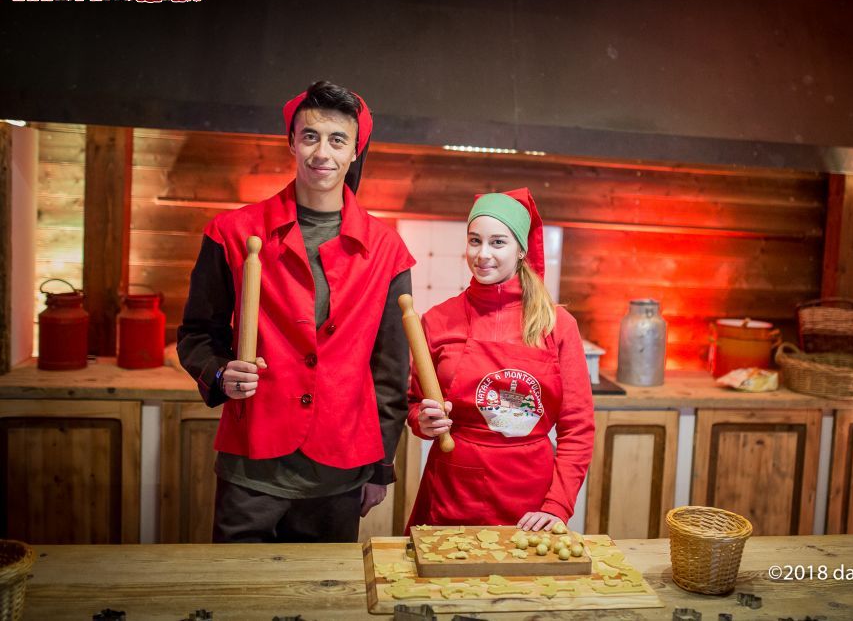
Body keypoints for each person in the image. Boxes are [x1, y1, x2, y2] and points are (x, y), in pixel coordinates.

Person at [177, 81, 414, 542]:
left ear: (354, 151)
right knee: (238, 600)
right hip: (251, 466)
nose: (321, 151)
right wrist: (220, 372)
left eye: (336, 139)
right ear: (291, 142)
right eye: (310, 136)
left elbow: (390, 370)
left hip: (340, 470)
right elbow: (196, 333)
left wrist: (381, 465)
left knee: (322, 601)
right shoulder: (232, 233)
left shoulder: (388, 250)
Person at [405, 188, 595, 532]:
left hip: (530, 499)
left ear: (520, 249)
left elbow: (577, 427)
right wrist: (423, 421)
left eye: (497, 242)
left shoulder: (556, 324)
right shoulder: (437, 320)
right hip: (452, 491)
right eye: (474, 241)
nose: (482, 254)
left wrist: (558, 504)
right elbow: (415, 403)